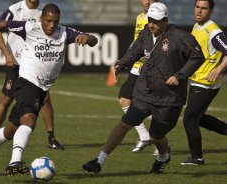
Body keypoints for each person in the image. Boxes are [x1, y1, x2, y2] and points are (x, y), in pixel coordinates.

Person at [0, 3, 98, 175]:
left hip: (42, 88)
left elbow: (94, 40)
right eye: (48, 21)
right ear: (41, 18)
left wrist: (87, 38)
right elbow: (3, 24)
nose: (51, 25)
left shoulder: (64, 32)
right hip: (27, 81)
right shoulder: (29, 27)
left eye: (55, 22)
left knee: (10, 130)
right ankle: (14, 161)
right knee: (29, 121)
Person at [82, 2, 204, 174]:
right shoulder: (146, 33)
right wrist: (121, 64)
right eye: (149, 20)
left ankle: (163, 157)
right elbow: (135, 51)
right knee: (124, 124)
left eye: (156, 21)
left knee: (156, 136)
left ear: (166, 20)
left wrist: (179, 76)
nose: (151, 24)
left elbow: (198, 56)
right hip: (144, 92)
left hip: (169, 99)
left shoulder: (180, 36)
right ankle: (98, 160)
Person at [0, 0, 64, 150]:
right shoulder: (15, 9)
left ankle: (51, 138)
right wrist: (7, 55)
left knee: (45, 99)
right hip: (16, 62)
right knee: (7, 99)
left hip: (33, 64)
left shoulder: (44, 12)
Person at [181, 0, 227, 166]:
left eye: (204, 8)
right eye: (197, 7)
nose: (199, 11)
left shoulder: (213, 31)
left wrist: (218, 69)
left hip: (206, 85)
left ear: (211, 11)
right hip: (196, 82)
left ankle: (197, 157)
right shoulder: (197, 27)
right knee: (198, 118)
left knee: (189, 120)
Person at [117, 0, 158, 153]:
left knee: (151, 106)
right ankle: (145, 136)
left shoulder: (162, 21)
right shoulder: (140, 18)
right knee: (124, 99)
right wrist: (126, 60)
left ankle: (160, 142)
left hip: (151, 70)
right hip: (137, 67)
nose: (147, 1)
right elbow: (136, 43)